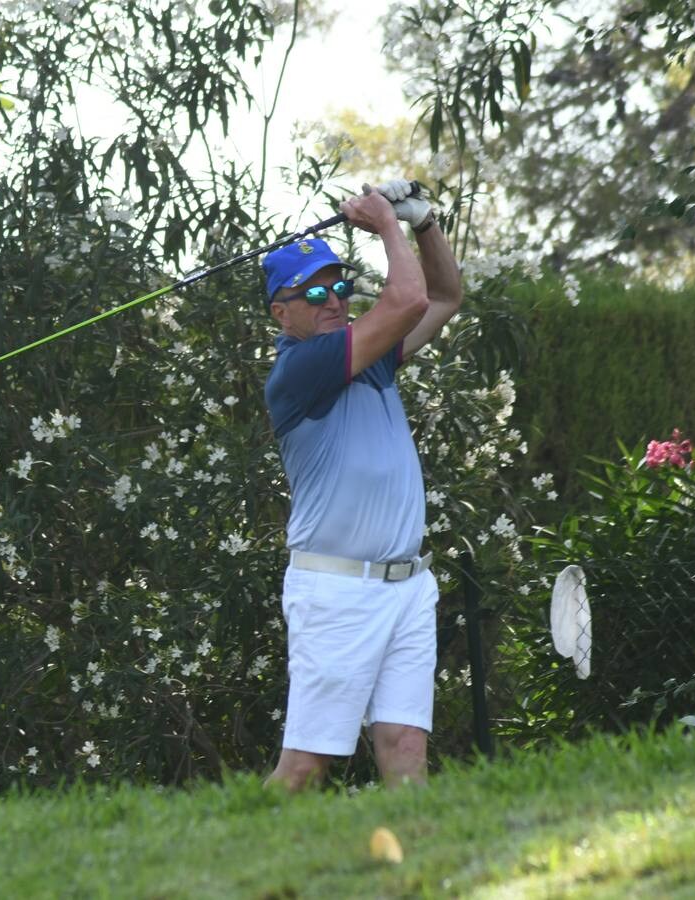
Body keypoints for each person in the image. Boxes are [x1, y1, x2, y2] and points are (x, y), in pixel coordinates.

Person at [261, 179, 462, 791]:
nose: (332, 300)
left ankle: (419, 880)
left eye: (340, 287)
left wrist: (424, 222)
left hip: (405, 585)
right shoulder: (302, 367)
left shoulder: (370, 358)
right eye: (313, 291)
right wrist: (386, 226)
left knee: (406, 749)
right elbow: (404, 301)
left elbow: (445, 296)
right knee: (304, 767)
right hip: (337, 591)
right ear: (281, 313)